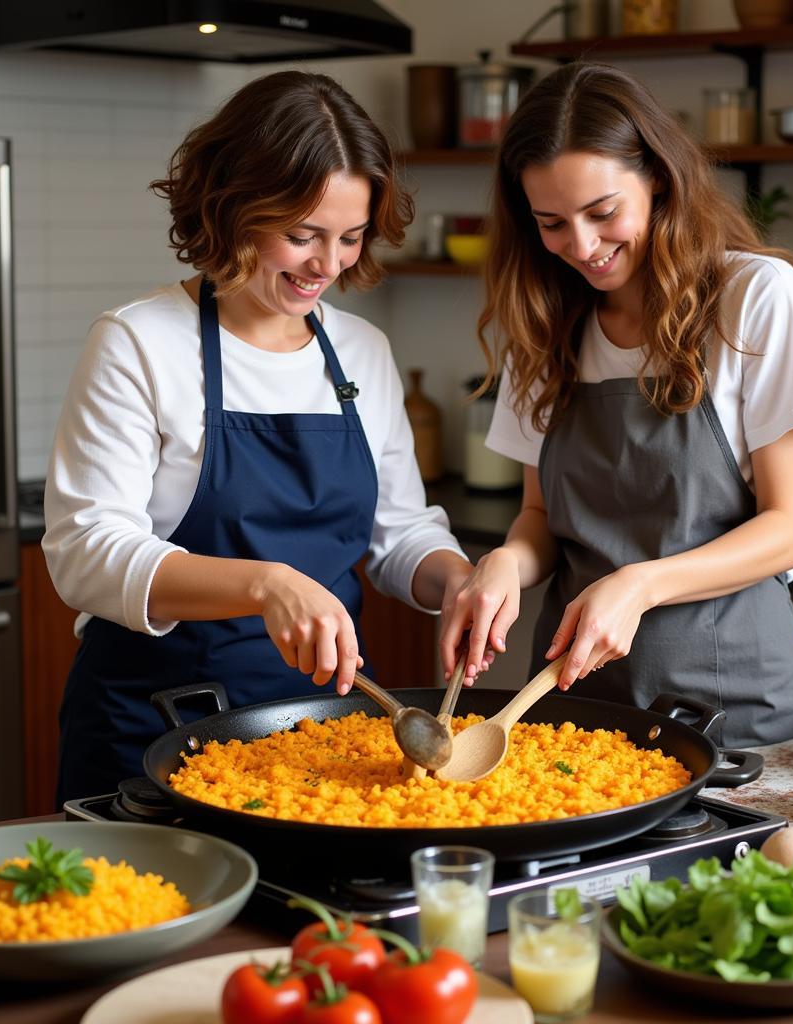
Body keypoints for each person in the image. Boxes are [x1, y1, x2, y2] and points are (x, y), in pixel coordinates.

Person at [44, 71, 477, 803]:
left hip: (318, 736)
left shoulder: (361, 348)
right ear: (235, 206)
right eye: (301, 235)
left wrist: (461, 581)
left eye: (349, 237)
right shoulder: (139, 342)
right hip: (151, 726)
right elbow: (85, 552)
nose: (328, 266)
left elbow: (400, 534)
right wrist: (264, 583)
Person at [439, 63, 793, 748]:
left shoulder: (755, 297)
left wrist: (639, 585)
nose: (583, 247)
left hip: (735, 716)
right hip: (577, 711)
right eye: (552, 224)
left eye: (602, 213)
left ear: (659, 177)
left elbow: (788, 528)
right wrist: (506, 561)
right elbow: (540, 517)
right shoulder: (542, 321)